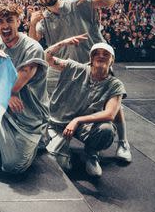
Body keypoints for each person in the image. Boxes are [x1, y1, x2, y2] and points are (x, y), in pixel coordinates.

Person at [29, 0, 132, 163]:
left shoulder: (78, 2)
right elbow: (33, 43)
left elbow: (111, 1)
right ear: (40, 0)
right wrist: (32, 23)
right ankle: (71, 139)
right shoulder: (44, 19)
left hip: (96, 61)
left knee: (113, 101)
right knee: (64, 101)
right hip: (67, 67)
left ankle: (123, 142)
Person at [0, 4, 49, 174]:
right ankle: (0, 140)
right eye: (0, 22)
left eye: (10, 20)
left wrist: (7, 94)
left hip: (28, 117)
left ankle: (38, 138)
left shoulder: (33, 48)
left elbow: (19, 80)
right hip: (3, 110)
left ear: (18, 21)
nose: (5, 26)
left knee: (14, 167)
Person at [45, 38, 126, 178]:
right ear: (91, 58)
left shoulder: (115, 84)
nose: (100, 56)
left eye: (105, 54)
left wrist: (77, 120)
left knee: (106, 130)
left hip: (85, 125)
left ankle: (92, 153)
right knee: (60, 165)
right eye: (96, 53)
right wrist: (63, 43)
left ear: (112, 60)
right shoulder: (75, 68)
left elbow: (110, 114)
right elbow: (47, 58)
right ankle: (63, 150)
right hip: (59, 122)